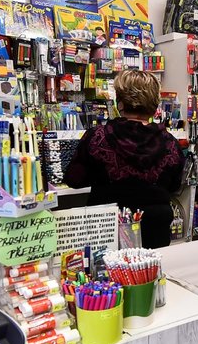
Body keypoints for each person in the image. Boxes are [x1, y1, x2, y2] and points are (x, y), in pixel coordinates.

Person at [65, 70, 185, 248]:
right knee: (151, 275)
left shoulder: (97, 138)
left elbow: (74, 180)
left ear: (119, 102)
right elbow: (174, 187)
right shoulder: (171, 144)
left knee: (104, 276)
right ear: (154, 105)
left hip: (106, 231)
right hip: (154, 235)